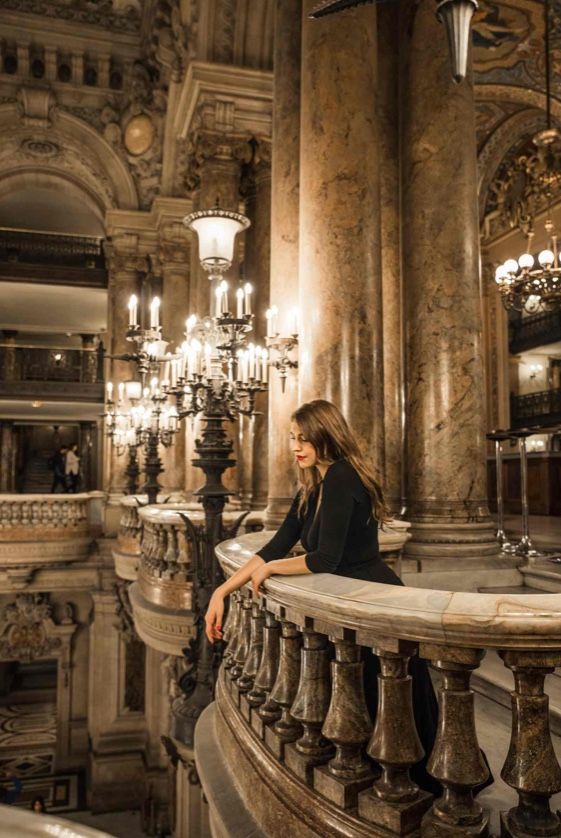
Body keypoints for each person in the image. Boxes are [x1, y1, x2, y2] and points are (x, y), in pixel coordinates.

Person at [205, 399, 488, 795]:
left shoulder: (342, 477)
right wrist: (222, 591)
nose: (296, 447)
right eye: (293, 439)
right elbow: (277, 544)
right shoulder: (315, 485)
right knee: (369, 698)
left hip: (372, 596)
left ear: (326, 437)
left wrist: (271, 571)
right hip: (352, 597)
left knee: (386, 699)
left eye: (304, 439)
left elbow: (324, 558)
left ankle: (422, 787)